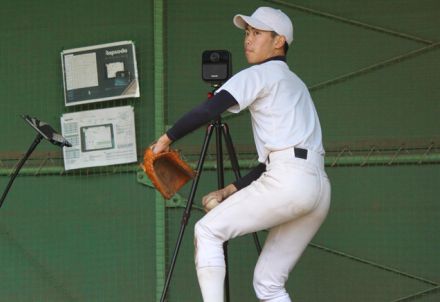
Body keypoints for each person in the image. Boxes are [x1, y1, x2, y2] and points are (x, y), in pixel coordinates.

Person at [153, 6, 331, 302]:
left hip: (290, 180)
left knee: (207, 231)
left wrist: (166, 139)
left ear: (279, 41)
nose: (248, 39)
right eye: (247, 33)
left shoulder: (261, 73)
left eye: (258, 33)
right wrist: (229, 190)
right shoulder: (296, 84)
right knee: (269, 284)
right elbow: (278, 159)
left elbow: (211, 108)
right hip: (317, 188)